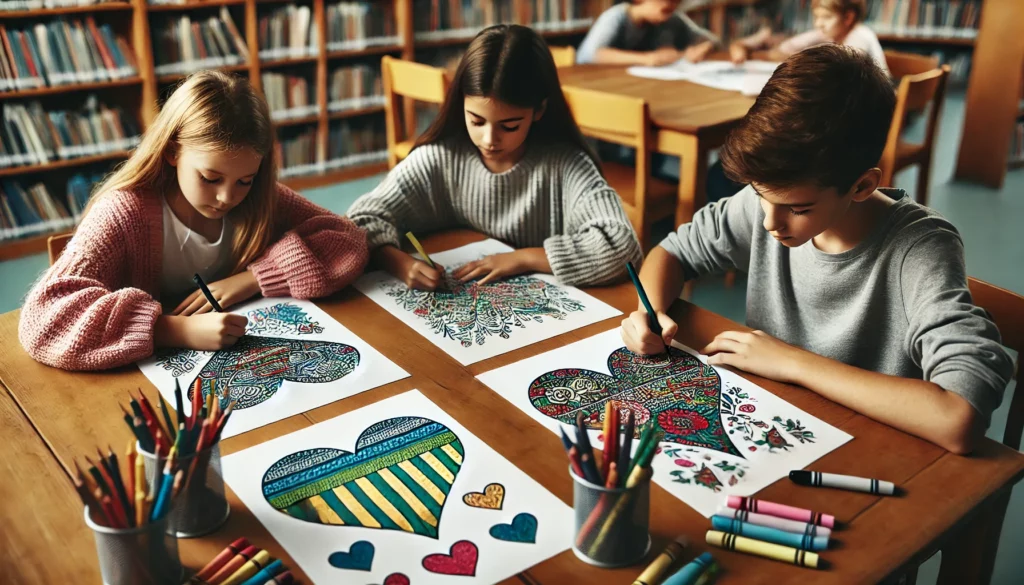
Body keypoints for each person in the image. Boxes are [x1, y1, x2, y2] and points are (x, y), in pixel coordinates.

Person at [619, 45, 1012, 454]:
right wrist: (649, 310)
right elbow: (674, 252)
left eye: (798, 209)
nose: (770, 222)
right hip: (772, 430)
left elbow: (959, 417)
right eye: (760, 195)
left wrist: (792, 362)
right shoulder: (774, 198)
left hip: (869, 455)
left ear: (862, 186)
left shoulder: (921, 248)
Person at [19, 71, 369, 371]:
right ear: (172, 150)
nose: (226, 198)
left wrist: (254, 279)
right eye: (210, 178)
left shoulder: (261, 197)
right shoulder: (124, 212)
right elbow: (42, 322)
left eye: (244, 181)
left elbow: (347, 239)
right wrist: (173, 330)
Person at [348, 24, 643, 290]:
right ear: (459, 102)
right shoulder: (441, 159)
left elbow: (622, 248)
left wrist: (523, 258)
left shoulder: (566, 167)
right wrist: (398, 262)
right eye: (476, 121)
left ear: (539, 111)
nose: (489, 140)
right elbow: (361, 219)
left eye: (509, 126)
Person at [730, 0, 888, 74]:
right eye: (816, 17)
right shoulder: (833, 33)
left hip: (872, 115)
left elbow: (842, 73)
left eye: (826, 17)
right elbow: (786, 48)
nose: (819, 24)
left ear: (848, 18)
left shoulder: (860, 36)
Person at [576, 0, 718, 66]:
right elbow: (588, 54)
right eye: (665, 8)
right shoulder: (616, 16)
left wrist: (704, 47)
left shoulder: (672, 19)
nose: (667, 16)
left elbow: (710, 39)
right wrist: (647, 58)